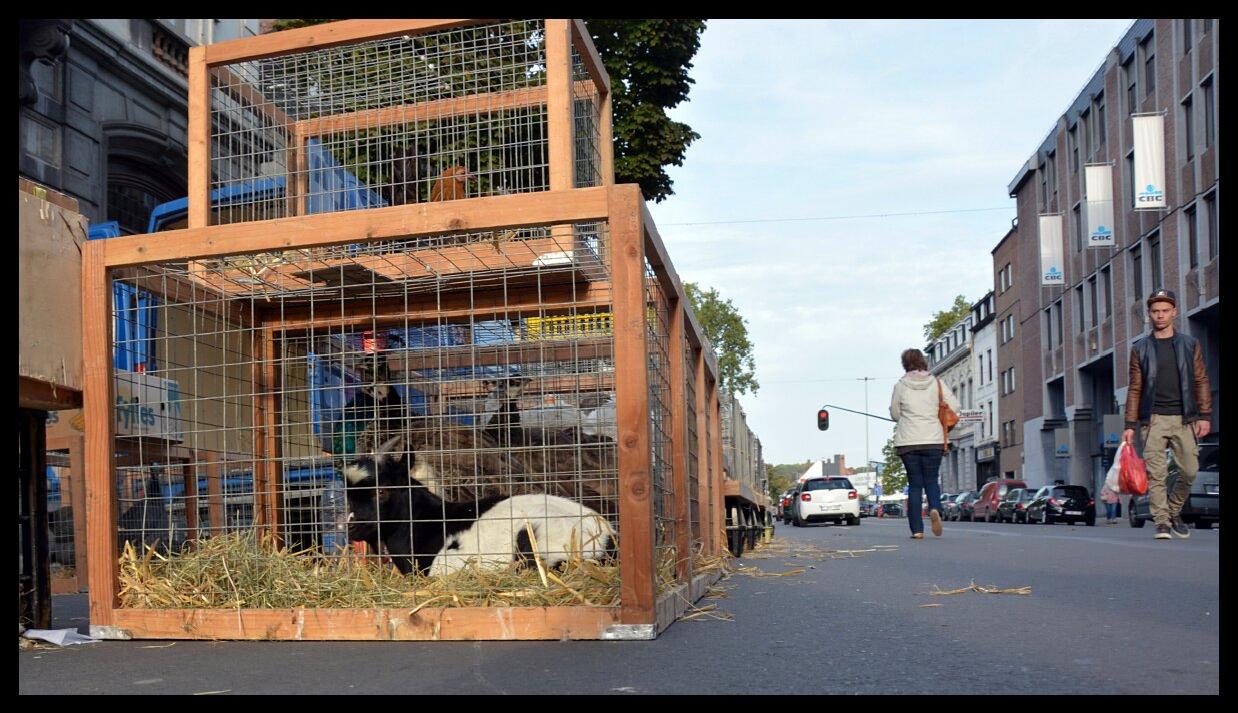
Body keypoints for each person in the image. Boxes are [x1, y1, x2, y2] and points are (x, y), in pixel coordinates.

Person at [1121, 289, 1213, 541]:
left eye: (1165, 311)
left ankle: (1173, 511)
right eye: (1155, 311)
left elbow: (1201, 379)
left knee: (1190, 471)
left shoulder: (1189, 344)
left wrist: (1204, 414)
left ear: (1174, 312)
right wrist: (1129, 423)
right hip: (1153, 420)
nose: (1160, 316)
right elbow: (1135, 387)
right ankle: (1161, 522)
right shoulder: (1140, 348)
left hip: (1185, 419)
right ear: (1149, 314)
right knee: (1157, 473)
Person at [889, 348, 961, 539]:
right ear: (923, 361)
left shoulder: (901, 386)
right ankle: (935, 509)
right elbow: (955, 407)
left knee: (914, 485)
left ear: (905, 364)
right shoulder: (936, 383)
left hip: (908, 441)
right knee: (931, 480)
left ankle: (917, 530)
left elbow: (895, 413)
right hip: (933, 439)